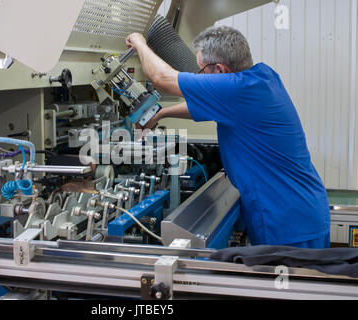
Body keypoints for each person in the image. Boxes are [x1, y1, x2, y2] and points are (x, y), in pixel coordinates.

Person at [126, 25, 331, 248]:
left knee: (288, 282)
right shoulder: (261, 78)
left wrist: (139, 42)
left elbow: (161, 77)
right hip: (300, 212)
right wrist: (161, 114)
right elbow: (204, 107)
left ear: (219, 70)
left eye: (201, 71)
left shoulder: (238, 89)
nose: (200, 76)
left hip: (287, 224)